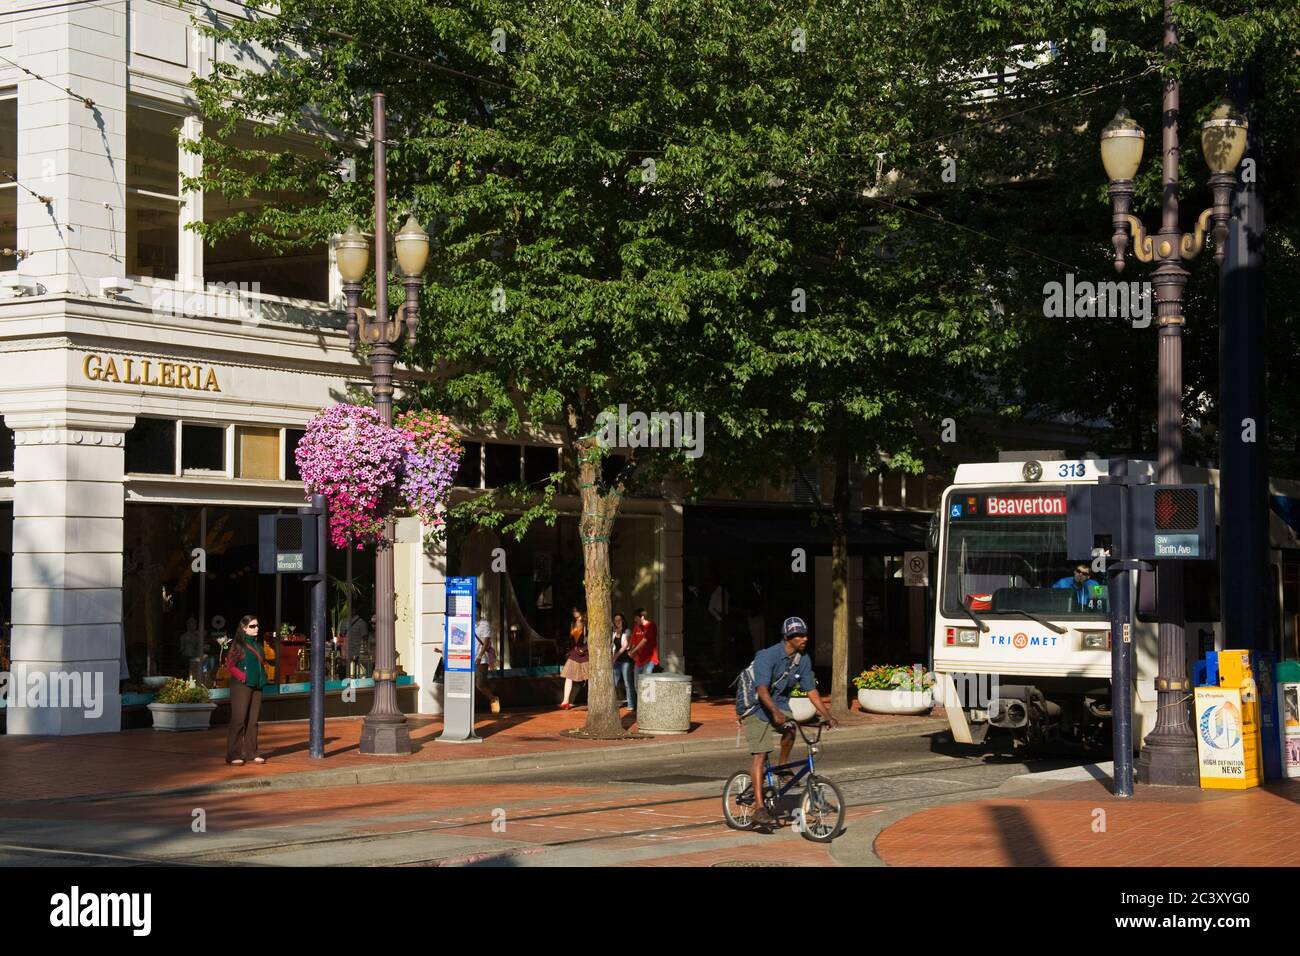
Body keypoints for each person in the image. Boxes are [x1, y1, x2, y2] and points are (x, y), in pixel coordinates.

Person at [740, 617, 836, 827]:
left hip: (779, 703)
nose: (804, 638)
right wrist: (774, 712)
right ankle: (759, 807)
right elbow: (762, 690)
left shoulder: (803, 659)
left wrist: (827, 716)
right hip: (756, 706)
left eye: (805, 634)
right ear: (787, 637)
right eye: (799, 635)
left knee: (791, 730)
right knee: (761, 754)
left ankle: (783, 766)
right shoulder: (767, 656)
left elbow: (811, 690)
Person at [226, 615, 268, 766]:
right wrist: (243, 677)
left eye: (257, 626)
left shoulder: (258, 645)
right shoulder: (238, 645)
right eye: (252, 626)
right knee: (239, 720)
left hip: (257, 686)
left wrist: (263, 677)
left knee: (253, 721)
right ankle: (233, 754)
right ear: (244, 628)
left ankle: (251, 752)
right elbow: (230, 665)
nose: (256, 628)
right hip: (241, 686)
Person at [559, 607, 589, 710]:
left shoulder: (587, 624)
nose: (574, 612)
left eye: (576, 610)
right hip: (574, 653)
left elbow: (590, 639)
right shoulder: (572, 624)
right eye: (573, 611)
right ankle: (565, 700)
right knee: (568, 676)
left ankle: (593, 699)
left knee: (590, 677)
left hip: (585, 654)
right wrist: (570, 650)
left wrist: (585, 649)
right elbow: (571, 639)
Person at [474, 607, 500, 714]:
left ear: (479, 611)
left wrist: (480, 656)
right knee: (470, 684)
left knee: (480, 684)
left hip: (482, 659)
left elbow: (486, 642)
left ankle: (493, 699)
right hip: (467, 659)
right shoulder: (468, 623)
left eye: (475, 610)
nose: (473, 612)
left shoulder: (484, 624)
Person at [611, 611, 634, 710]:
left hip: (625, 661)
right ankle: (614, 702)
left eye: (619, 620)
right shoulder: (614, 632)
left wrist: (615, 657)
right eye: (616, 620)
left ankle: (631, 704)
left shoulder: (627, 631)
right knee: (614, 682)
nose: (617, 622)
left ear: (623, 620)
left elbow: (625, 646)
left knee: (627, 683)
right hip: (616, 661)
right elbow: (613, 647)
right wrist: (613, 657)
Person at [629, 607, 659, 681]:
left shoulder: (651, 625)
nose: (635, 620)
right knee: (637, 684)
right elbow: (633, 642)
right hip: (639, 660)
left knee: (646, 682)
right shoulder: (636, 627)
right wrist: (631, 652)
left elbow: (644, 640)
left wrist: (633, 651)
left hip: (649, 659)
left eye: (636, 618)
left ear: (642, 617)